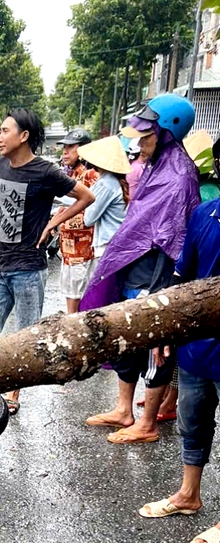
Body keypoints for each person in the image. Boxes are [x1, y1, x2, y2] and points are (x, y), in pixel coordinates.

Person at [81, 94, 200, 444]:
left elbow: (174, 241)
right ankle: (123, 409)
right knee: (126, 344)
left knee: (155, 349)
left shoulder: (179, 177)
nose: (137, 141)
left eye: (144, 135)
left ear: (165, 133)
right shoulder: (154, 166)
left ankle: (147, 423)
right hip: (133, 273)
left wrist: (162, 296)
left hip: (154, 280)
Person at [0, 108, 94, 415]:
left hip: (29, 267)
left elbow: (86, 197)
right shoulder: (2, 165)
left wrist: (54, 221)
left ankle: (14, 394)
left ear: (24, 136)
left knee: (25, 337)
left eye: (5, 131)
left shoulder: (45, 172)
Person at [137, 151, 220, 543]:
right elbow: (182, 279)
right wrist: (166, 328)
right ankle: (188, 494)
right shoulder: (204, 215)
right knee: (192, 422)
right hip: (197, 347)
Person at [52, 129, 99, 313]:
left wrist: (61, 221)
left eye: (70, 147)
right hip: (69, 250)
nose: (65, 152)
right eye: (64, 147)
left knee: (78, 303)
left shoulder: (91, 176)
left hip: (83, 250)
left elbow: (91, 214)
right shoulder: (70, 175)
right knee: (70, 297)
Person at [77, 136, 130, 267]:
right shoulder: (111, 180)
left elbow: (89, 219)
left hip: (107, 247)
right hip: (115, 244)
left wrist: (83, 203)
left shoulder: (106, 184)